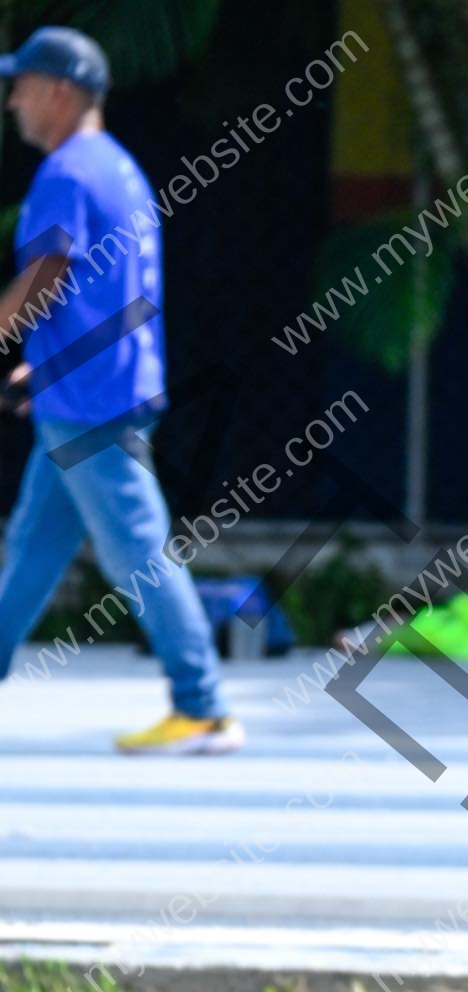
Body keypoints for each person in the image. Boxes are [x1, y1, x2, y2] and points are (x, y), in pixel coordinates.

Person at [0, 26, 241, 752]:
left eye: (20, 86)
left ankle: (202, 706)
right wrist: (38, 366)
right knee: (33, 549)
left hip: (91, 404)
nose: (12, 102)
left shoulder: (67, 174)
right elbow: (104, 293)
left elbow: (50, 274)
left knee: (138, 551)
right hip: (93, 388)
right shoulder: (117, 168)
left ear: (58, 91)